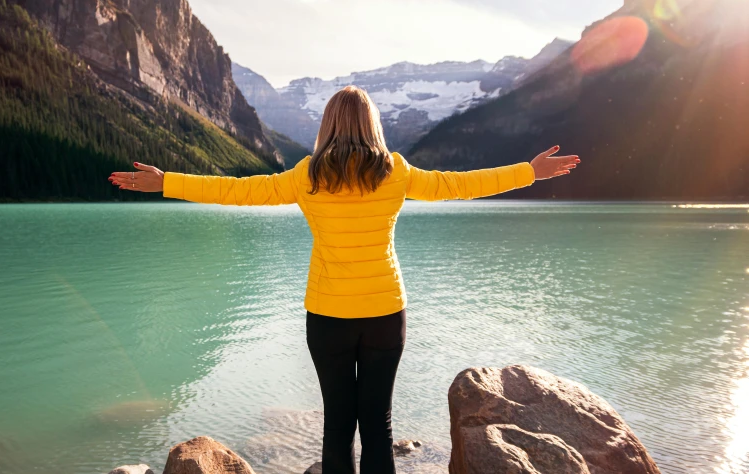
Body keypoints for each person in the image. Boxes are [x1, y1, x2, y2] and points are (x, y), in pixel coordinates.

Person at [107, 85, 580, 473]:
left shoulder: (306, 176)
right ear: (372, 123)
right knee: (378, 426)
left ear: (327, 124)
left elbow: (237, 190)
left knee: (338, 425)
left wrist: (167, 181)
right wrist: (529, 173)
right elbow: (460, 184)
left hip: (328, 316)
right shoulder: (395, 172)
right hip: (383, 315)